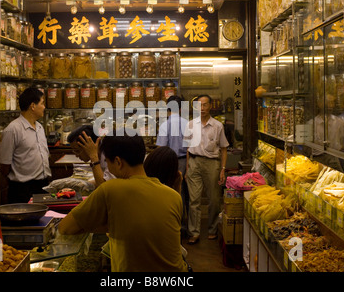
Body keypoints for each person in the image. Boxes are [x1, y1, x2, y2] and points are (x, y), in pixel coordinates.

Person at [58, 132, 188, 272]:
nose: (108, 168)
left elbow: (65, 227)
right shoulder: (173, 196)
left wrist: (110, 225)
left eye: (107, 162)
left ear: (118, 162)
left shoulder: (111, 189)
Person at [184, 94, 229, 244]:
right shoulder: (190, 125)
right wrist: (187, 168)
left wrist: (223, 169)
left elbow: (223, 149)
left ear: (210, 106)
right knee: (194, 200)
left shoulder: (218, 126)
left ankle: (212, 229)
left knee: (214, 200)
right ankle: (194, 232)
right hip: (194, 163)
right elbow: (188, 149)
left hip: (212, 164)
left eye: (205, 105)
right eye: (199, 105)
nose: (202, 108)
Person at [0, 87, 51, 204]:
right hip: (22, 190)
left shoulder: (40, 127)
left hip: (42, 186)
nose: (44, 107)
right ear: (33, 106)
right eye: (42, 103)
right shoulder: (13, 129)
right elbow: (4, 166)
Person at [155, 95, 189, 232]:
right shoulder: (188, 123)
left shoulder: (165, 125)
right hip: (186, 161)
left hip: (170, 161)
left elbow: (161, 148)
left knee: (171, 193)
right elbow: (192, 146)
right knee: (186, 194)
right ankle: (185, 227)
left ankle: (174, 226)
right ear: (180, 109)